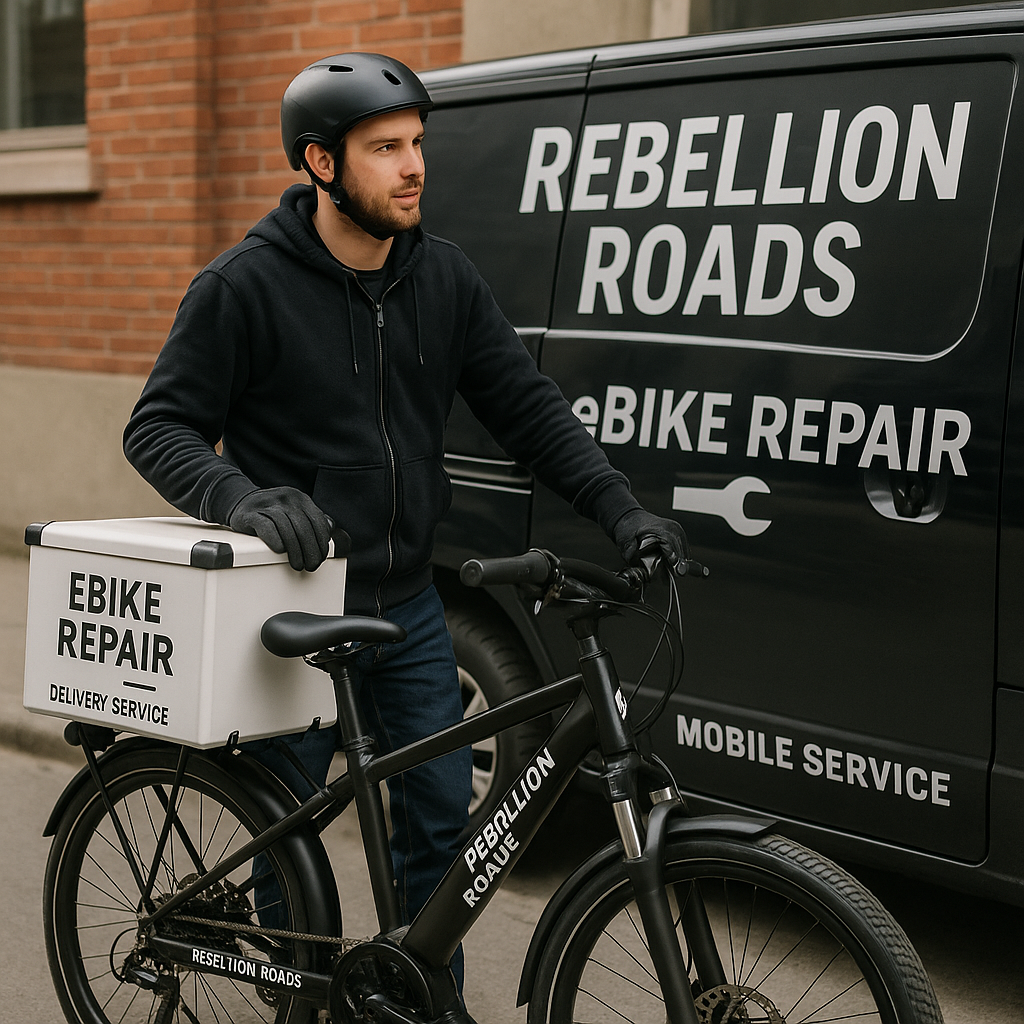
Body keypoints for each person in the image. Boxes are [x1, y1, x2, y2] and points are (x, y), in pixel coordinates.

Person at [123, 51, 687, 992]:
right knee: (291, 823)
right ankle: (292, 995)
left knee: (442, 824)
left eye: (417, 143)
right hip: (295, 605)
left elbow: (530, 410)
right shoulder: (243, 287)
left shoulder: (445, 280)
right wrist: (242, 498)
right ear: (319, 164)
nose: (414, 164)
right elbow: (159, 426)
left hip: (409, 605)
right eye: (385, 147)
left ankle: (428, 1005)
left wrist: (621, 510)